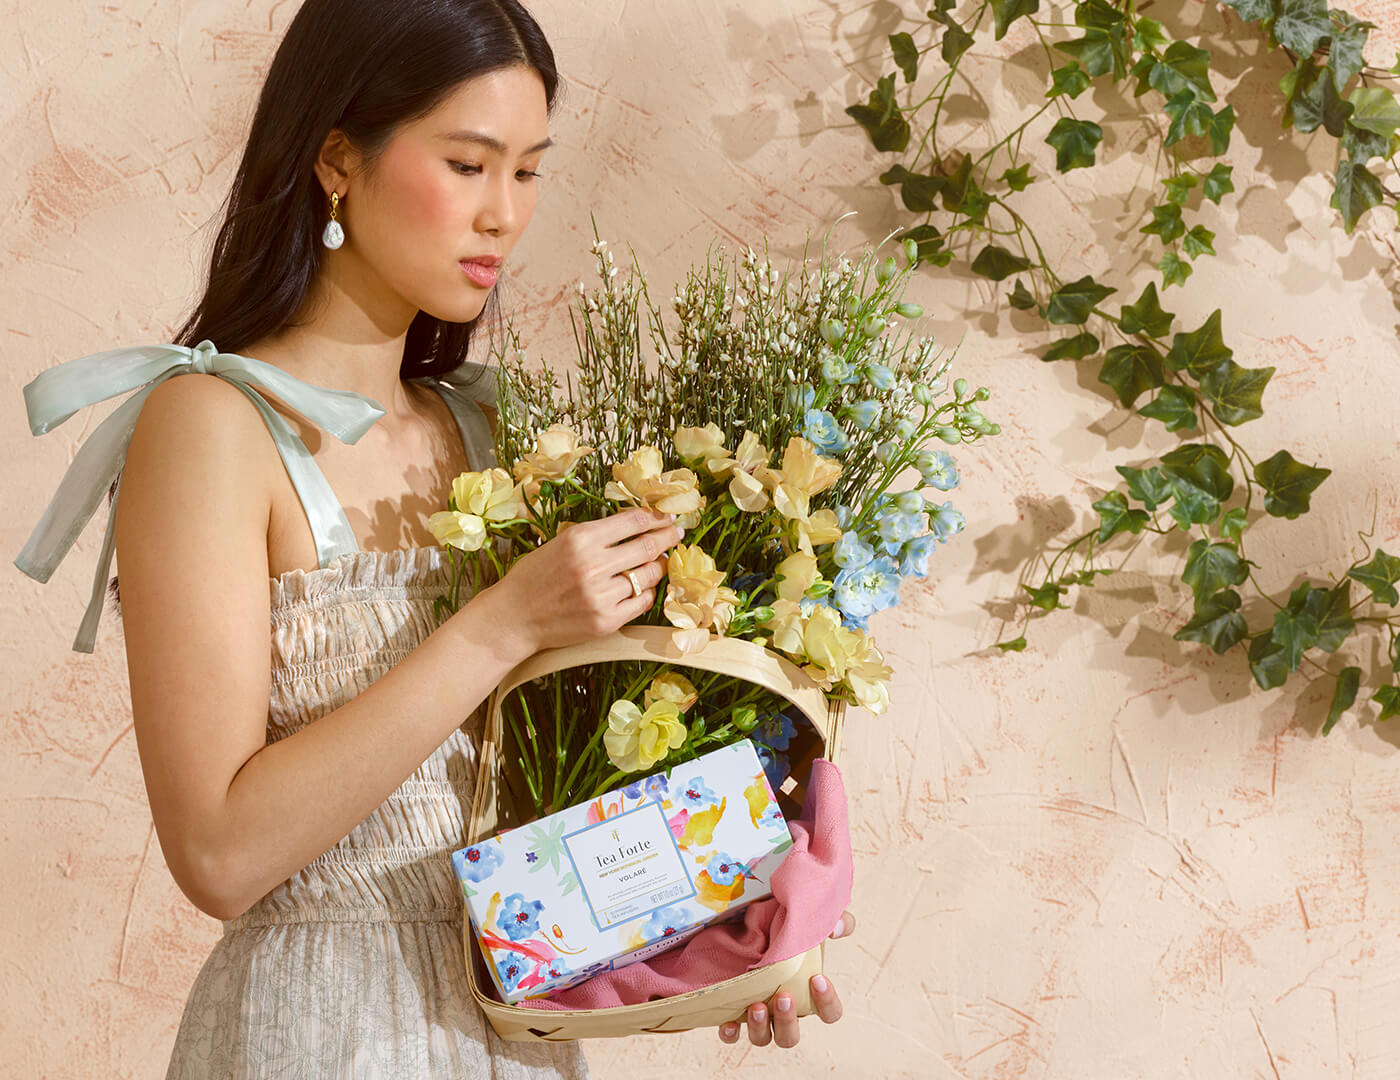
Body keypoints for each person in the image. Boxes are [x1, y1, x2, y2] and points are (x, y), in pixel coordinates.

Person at [14, 0, 854, 1074]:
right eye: (468, 164)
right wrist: (500, 626)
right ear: (336, 160)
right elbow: (217, 855)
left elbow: (556, 814)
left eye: (529, 171)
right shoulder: (212, 425)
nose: (504, 214)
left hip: (509, 1036)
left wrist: (733, 923)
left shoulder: (496, 434)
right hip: (321, 1032)